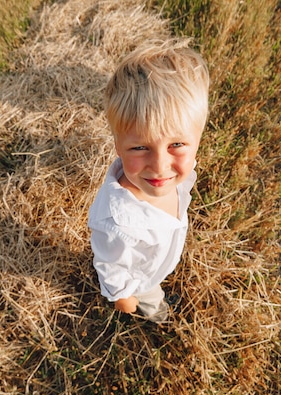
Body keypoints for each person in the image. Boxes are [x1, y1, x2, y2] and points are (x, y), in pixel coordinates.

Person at [88, 39, 210, 323]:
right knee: (151, 298)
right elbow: (111, 265)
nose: (159, 166)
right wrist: (124, 299)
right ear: (117, 146)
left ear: (198, 140)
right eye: (140, 148)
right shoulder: (116, 223)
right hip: (143, 280)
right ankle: (158, 314)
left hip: (158, 263)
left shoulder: (178, 176)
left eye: (177, 144)